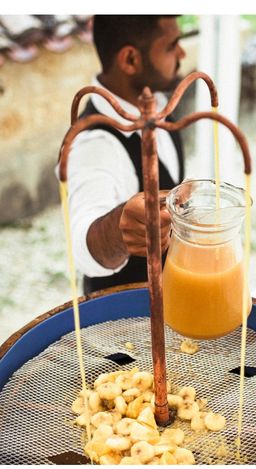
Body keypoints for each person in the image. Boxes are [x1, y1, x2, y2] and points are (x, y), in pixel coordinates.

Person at [60, 15, 187, 295]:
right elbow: (83, 248)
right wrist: (119, 230)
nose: (182, 54)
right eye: (171, 45)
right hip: (123, 317)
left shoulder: (157, 104)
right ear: (130, 59)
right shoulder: (95, 144)